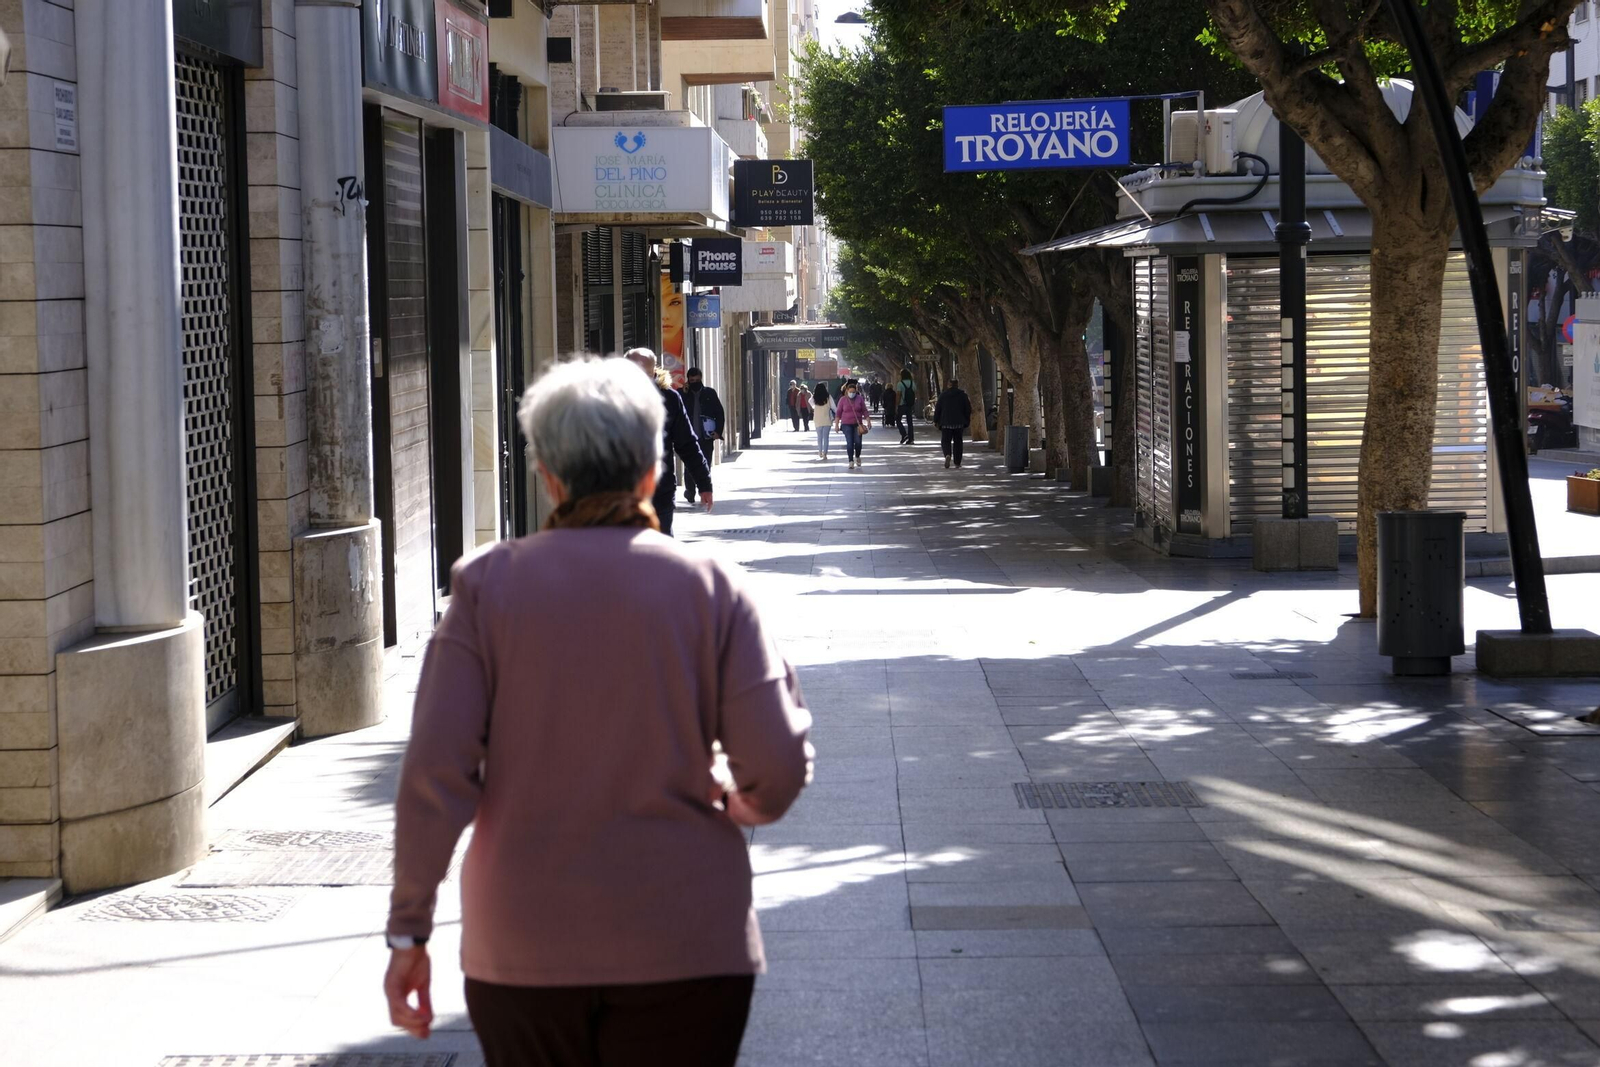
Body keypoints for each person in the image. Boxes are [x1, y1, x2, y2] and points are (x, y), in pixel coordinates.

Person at [384, 357, 812, 1067]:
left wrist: (409, 933)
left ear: (548, 475)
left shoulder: (486, 589)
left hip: (523, 940)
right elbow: (777, 761)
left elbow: (433, 774)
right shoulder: (712, 587)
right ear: (651, 472)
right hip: (688, 936)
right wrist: (740, 805)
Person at [624, 348, 711, 537]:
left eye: (644, 374)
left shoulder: (670, 400)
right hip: (619, 497)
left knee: (660, 550)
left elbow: (687, 444)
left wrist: (704, 484)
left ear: (653, 373)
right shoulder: (607, 402)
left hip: (659, 493)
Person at [682, 366, 725, 507]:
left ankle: (703, 490)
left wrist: (718, 431)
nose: (695, 382)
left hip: (705, 437)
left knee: (705, 465)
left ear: (701, 379)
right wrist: (684, 392)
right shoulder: (683, 394)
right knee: (689, 467)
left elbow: (719, 413)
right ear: (688, 380)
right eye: (692, 380)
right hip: (688, 438)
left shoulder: (709, 393)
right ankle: (690, 490)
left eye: (697, 380)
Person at [933, 378, 974, 469]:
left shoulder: (943, 395)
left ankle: (947, 454)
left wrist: (936, 420)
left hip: (946, 422)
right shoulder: (963, 395)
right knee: (958, 442)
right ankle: (957, 462)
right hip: (959, 423)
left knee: (945, 441)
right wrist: (966, 421)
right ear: (957, 385)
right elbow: (968, 409)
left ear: (948, 385)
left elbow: (938, 409)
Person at [834, 379, 870, 469]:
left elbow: (864, 410)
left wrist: (868, 420)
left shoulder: (859, 399)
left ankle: (857, 456)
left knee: (858, 443)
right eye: (850, 392)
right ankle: (850, 460)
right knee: (849, 442)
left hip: (858, 424)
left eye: (854, 392)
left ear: (856, 391)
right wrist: (836, 424)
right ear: (847, 391)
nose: (852, 393)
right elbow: (838, 412)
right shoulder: (843, 400)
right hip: (846, 424)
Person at [811, 382, 834, 460]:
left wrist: (814, 407)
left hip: (817, 419)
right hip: (827, 419)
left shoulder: (814, 397)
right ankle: (825, 454)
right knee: (826, 437)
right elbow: (834, 407)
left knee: (819, 437)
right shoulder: (828, 397)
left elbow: (809, 401)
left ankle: (820, 451)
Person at [896, 369, 917, 445]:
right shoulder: (912, 383)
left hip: (902, 405)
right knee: (910, 422)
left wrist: (896, 405)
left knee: (898, 420)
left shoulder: (900, 384)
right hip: (910, 405)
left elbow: (898, 395)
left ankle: (904, 434)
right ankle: (911, 438)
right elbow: (914, 393)